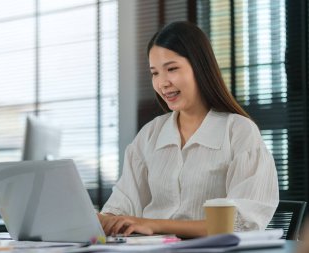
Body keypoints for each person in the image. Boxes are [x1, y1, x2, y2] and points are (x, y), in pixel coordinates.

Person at [98, 21, 279, 238]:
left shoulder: (239, 131)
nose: (162, 82)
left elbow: (241, 224)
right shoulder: (150, 134)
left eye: (172, 69)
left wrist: (154, 225)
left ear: (199, 67)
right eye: (155, 73)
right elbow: (122, 207)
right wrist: (100, 219)